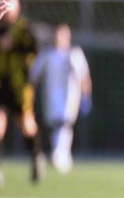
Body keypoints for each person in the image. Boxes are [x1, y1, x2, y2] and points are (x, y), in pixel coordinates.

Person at [30, 23, 92, 174]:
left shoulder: (74, 53)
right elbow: (34, 75)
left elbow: (84, 76)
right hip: (50, 95)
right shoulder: (47, 54)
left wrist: (86, 96)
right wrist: (29, 92)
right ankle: (63, 154)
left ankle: (59, 154)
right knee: (58, 124)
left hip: (70, 96)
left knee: (64, 123)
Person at [0, 0, 46, 186]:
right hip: (1, 83)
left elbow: (36, 48)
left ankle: (37, 156)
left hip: (19, 85)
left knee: (26, 125)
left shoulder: (24, 29)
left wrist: (13, 46)